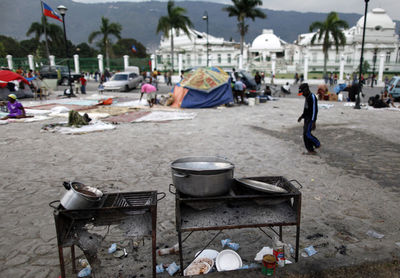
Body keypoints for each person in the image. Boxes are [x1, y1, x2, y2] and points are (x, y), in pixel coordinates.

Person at [297, 83, 320, 155]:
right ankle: (310, 149)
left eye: (302, 93)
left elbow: (314, 110)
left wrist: (313, 121)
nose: (302, 95)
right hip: (306, 118)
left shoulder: (312, 97)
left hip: (311, 119)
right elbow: (305, 109)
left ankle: (317, 143)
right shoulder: (306, 97)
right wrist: (302, 116)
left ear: (306, 90)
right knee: (305, 134)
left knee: (307, 134)